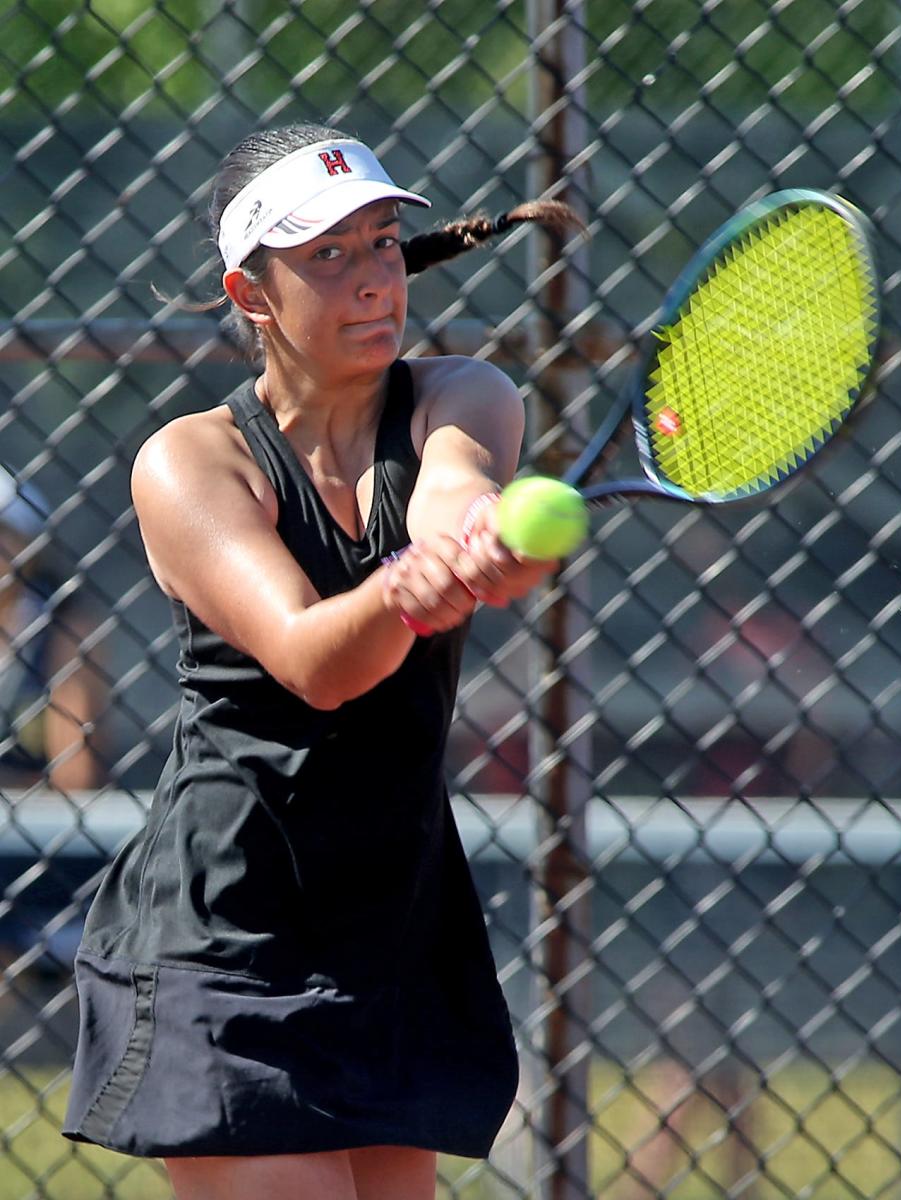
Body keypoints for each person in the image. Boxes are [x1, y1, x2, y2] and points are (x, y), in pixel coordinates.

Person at [63, 122, 578, 1199]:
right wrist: (409, 588)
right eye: (327, 256)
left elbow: (457, 500)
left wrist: (472, 550)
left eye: (384, 243)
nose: (372, 281)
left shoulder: (463, 396)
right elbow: (316, 660)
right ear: (251, 295)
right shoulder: (189, 461)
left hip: (391, 921)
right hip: (226, 932)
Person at [0, 466, 107, 792]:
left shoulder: (66, 628)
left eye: (3, 532)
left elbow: (76, 778)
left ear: (31, 548)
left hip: (34, 833)